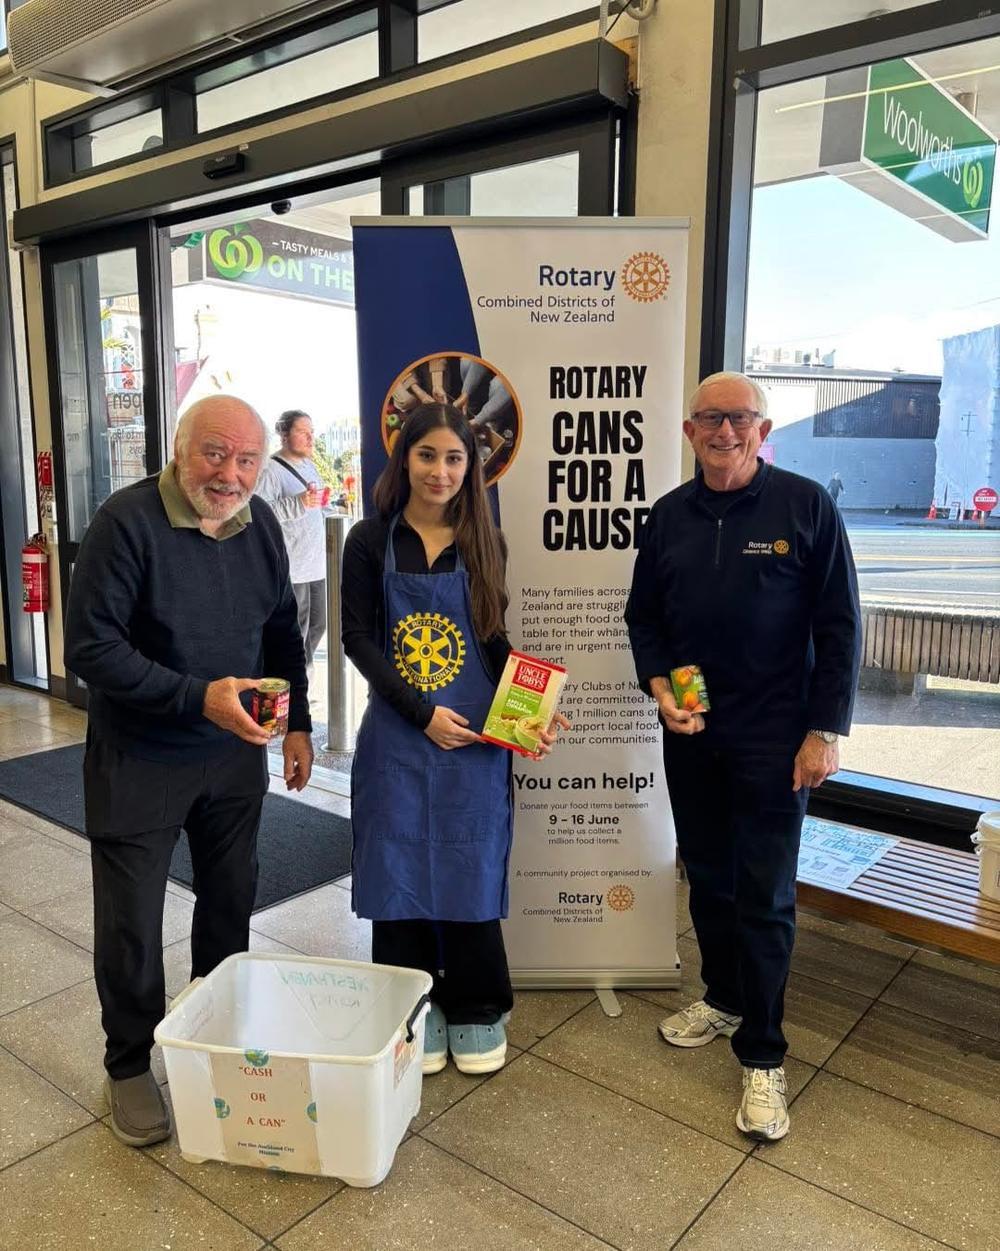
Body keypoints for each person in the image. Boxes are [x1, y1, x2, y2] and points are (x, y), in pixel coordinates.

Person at [64, 395, 314, 1149]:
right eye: (214, 453)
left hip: (232, 758)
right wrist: (197, 698)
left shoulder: (258, 524)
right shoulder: (124, 523)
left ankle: (219, 1031)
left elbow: (281, 629)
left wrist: (299, 722)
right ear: (179, 449)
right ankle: (128, 1061)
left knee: (230, 900)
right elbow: (91, 649)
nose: (230, 474)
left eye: (247, 460)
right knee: (132, 924)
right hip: (140, 758)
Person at [625, 371, 861, 1143]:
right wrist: (660, 686)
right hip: (692, 727)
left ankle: (763, 1054)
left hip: (775, 737)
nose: (725, 430)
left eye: (740, 418)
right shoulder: (668, 516)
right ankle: (724, 997)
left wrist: (824, 730)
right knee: (707, 877)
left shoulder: (805, 506)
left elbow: (840, 625)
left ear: (764, 430)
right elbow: (644, 618)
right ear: (689, 431)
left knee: (764, 895)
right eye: (710, 418)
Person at [342, 403, 564, 1077]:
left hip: (474, 734)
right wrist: (421, 713)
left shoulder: (483, 542)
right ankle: (412, 1005)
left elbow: (491, 638)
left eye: (454, 458)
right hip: (399, 733)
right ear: (404, 458)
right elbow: (358, 640)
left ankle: (475, 1003)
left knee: (472, 866)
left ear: (472, 468)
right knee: (397, 866)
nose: (440, 471)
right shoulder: (369, 540)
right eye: (427, 455)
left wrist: (531, 712)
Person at [255, 410, 328, 673]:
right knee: (297, 631)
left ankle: (302, 673)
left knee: (319, 624)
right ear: (284, 435)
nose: (310, 437)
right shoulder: (271, 470)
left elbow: (314, 507)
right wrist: (298, 503)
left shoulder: (310, 466)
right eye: (302, 432)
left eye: (312, 431)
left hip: (316, 564)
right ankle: (296, 680)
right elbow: (259, 512)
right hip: (293, 568)